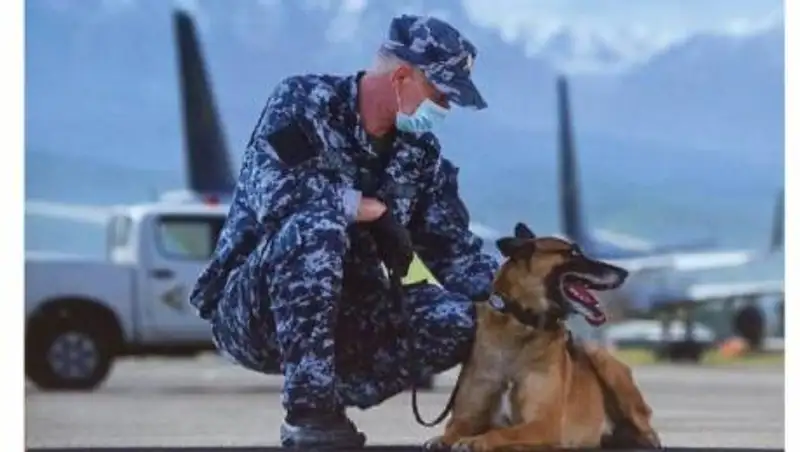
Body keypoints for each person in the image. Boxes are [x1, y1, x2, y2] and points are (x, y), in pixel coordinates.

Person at [188, 14, 498, 449]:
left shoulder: (420, 154)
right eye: (440, 95)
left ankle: (330, 393)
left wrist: (517, 292)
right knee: (317, 227)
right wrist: (366, 210)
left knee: (462, 319)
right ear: (402, 78)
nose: (444, 109)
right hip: (255, 311)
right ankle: (309, 415)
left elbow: (452, 254)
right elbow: (275, 193)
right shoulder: (304, 102)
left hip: (350, 318)